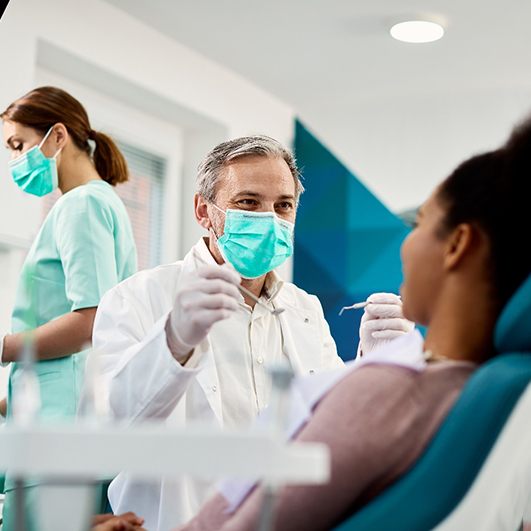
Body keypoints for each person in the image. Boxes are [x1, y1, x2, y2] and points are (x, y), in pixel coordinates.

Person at [176, 118, 531, 530]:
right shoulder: (499, 390)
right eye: (249, 203)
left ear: (458, 245)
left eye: (418, 224)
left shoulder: (388, 393)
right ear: (205, 211)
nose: (404, 243)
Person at [90, 135, 413, 530]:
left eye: (283, 206)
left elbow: (330, 432)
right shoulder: (139, 297)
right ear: (204, 212)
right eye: (248, 202)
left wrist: (372, 363)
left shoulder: (305, 310)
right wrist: (173, 341)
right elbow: (108, 429)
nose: (269, 218)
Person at [0, 86, 137, 529]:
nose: (15, 158)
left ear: (57, 136)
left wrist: (2, 347)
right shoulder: (92, 205)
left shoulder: (82, 204)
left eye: (19, 144)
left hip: (60, 445)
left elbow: (91, 323)